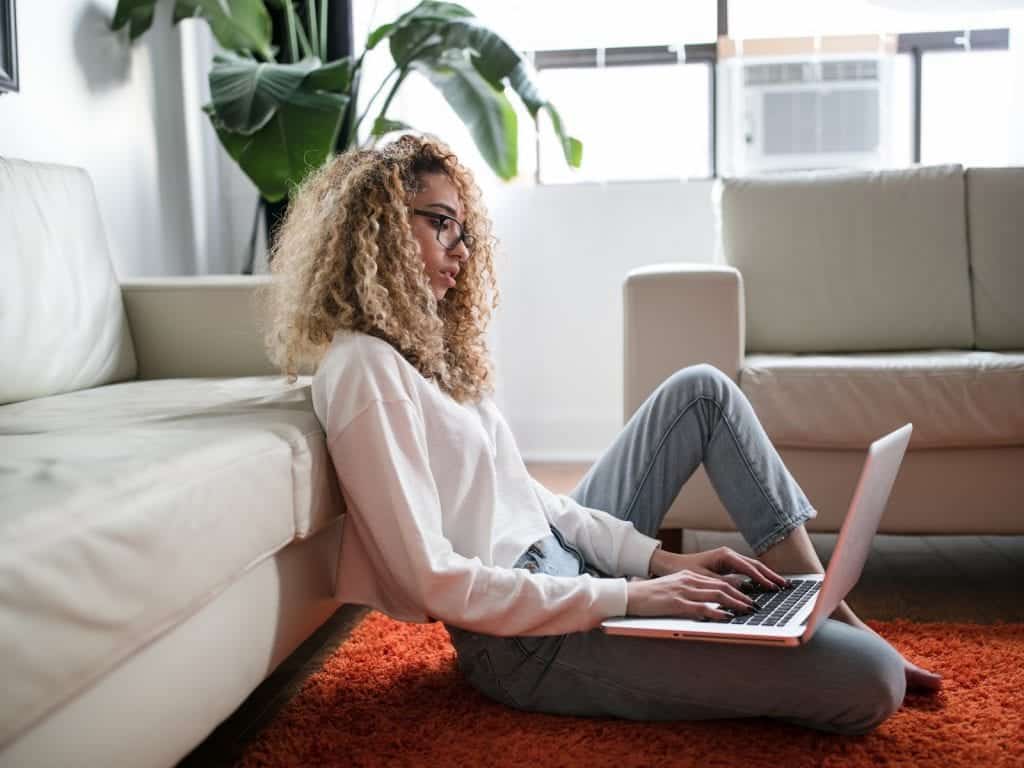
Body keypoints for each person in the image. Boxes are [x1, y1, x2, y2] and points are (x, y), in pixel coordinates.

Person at [263, 134, 940, 735]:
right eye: (441, 225)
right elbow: (433, 579)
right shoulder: (363, 368)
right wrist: (629, 596)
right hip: (524, 642)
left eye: (464, 231)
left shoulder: (424, 352)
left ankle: (816, 600)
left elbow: (532, 501)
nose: (461, 252)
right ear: (378, 227)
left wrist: (656, 563)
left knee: (700, 391)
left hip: (564, 568)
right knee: (872, 681)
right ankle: (823, 628)